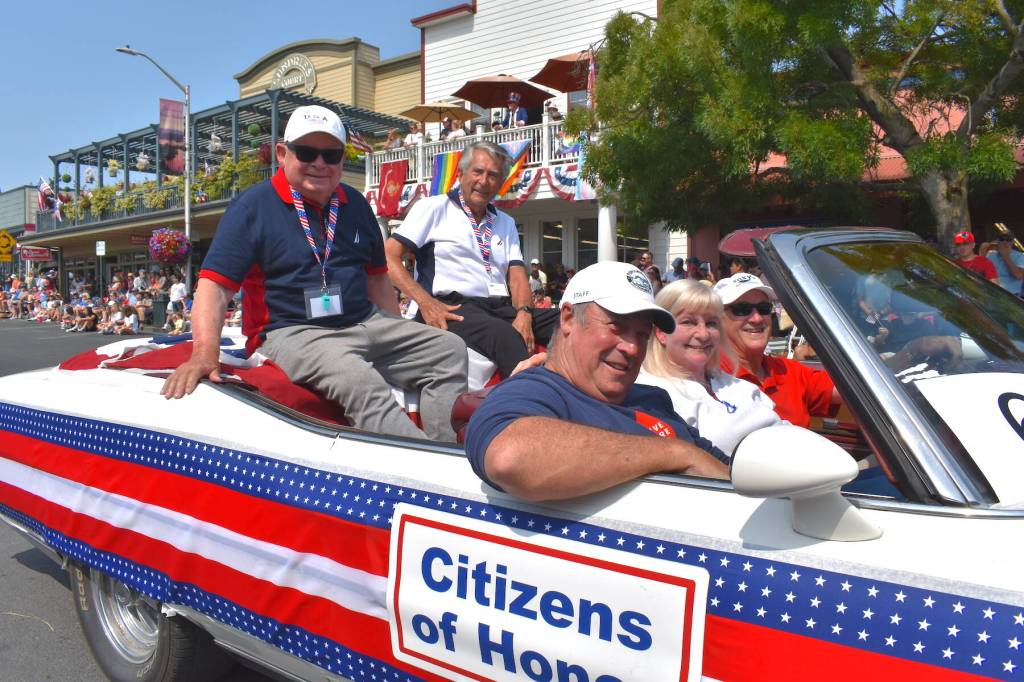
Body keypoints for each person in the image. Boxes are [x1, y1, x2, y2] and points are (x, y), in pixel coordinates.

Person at [161, 105, 467, 442]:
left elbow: (377, 278)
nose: (319, 163)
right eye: (307, 152)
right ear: (282, 153)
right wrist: (204, 355)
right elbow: (214, 287)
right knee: (356, 376)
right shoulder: (253, 206)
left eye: (331, 154)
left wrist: (394, 334)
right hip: (291, 331)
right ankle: (424, 468)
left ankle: (447, 446)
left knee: (449, 349)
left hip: (364, 321)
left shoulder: (355, 202)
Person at [465, 261, 729, 501]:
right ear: (568, 318)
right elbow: (510, 458)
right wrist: (676, 454)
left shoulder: (653, 398)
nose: (633, 348)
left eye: (641, 335)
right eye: (616, 326)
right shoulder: (535, 390)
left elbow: (724, 468)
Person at [386, 140, 560, 378]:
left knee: (569, 321)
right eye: (477, 171)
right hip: (450, 306)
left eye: (493, 175)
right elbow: (388, 256)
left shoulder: (505, 222)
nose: (483, 181)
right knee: (504, 335)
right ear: (460, 174)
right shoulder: (433, 208)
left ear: (500, 183)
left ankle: (592, 393)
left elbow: (518, 276)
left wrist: (525, 313)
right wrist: (426, 303)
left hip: (497, 307)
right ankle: (530, 407)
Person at [638, 280, 782, 456]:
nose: (703, 334)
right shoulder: (650, 394)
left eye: (711, 323)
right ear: (661, 332)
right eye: (688, 322)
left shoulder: (737, 386)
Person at [714, 273, 840, 428]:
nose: (757, 318)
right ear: (718, 319)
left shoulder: (788, 371)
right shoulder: (708, 377)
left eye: (763, 308)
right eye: (742, 309)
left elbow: (850, 389)